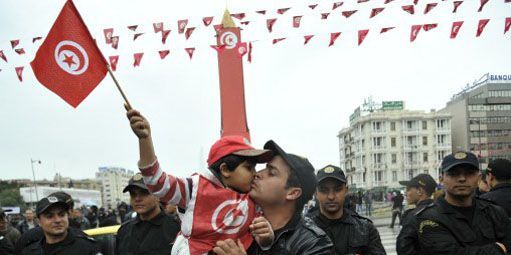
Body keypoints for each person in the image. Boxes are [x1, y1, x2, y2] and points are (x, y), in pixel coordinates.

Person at [126, 107, 274, 254]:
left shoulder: (253, 199)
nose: (255, 174)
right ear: (225, 170)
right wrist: (144, 139)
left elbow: (260, 239)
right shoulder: (194, 188)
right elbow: (157, 183)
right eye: (249, 168)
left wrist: (266, 236)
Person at [213, 140, 334, 255]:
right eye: (264, 167)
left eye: (271, 173)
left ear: (292, 193)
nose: (257, 174)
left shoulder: (313, 244)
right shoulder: (237, 223)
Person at [417, 151, 511, 254]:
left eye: (469, 173)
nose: (462, 179)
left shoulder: (494, 211)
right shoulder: (429, 217)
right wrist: (497, 250)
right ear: (441, 179)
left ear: (479, 178)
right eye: (453, 173)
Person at [308, 165, 385, 255]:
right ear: (316, 193)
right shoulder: (303, 230)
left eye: (337, 190)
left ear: (346, 191)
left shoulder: (366, 229)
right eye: (324, 190)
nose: (331, 196)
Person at [116, 173, 181, 255]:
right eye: (133, 194)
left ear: (158, 195)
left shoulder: (176, 228)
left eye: (144, 193)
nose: (137, 199)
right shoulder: (124, 231)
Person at [19, 195, 100, 255]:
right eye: (49, 216)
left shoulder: (87, 247)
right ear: (39, 221)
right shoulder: (29, 252)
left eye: (61, 215)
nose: (57, 220)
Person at [396, 173, 437, 255]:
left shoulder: (414, 215)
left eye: (408, 189)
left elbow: (403, 248)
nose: (405, 193)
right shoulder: (441, 210)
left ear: (419, 191)